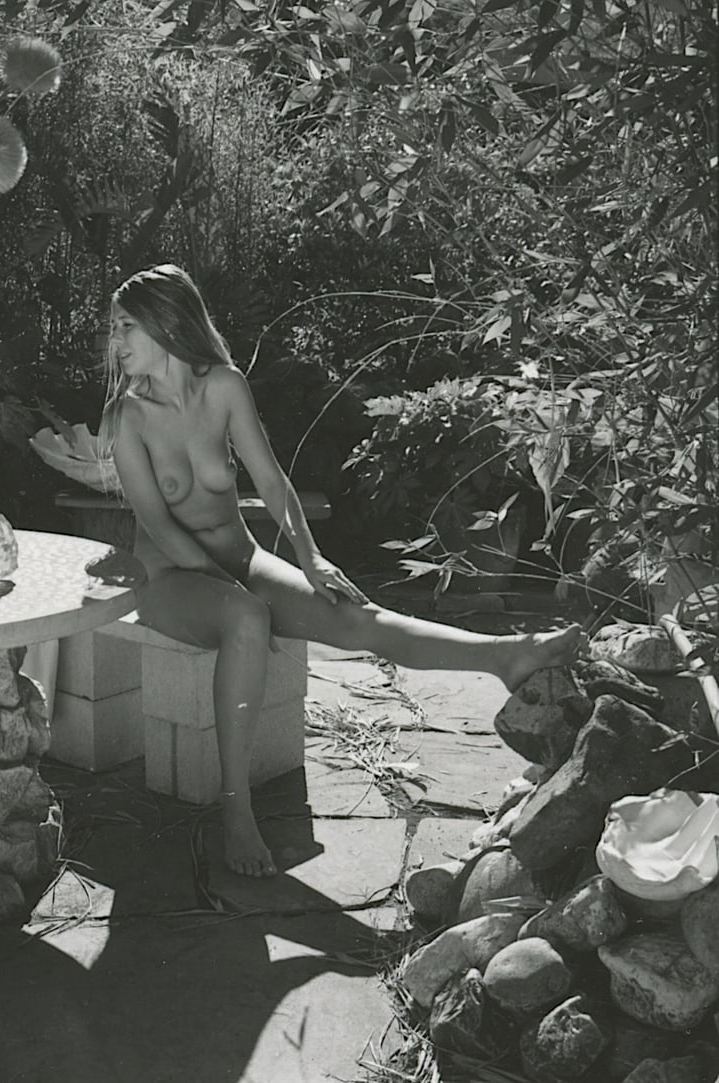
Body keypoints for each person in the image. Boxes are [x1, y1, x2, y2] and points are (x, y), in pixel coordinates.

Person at [99, 264, 585, 879]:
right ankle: (236, 812)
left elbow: (272, 482)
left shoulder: (223, 385)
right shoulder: (128, 418)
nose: (115, 340)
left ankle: (502, 655)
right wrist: (233, 592)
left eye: (127, 326)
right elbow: (159, 525)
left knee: (352, 614)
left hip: (242, 559)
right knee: (246, 615)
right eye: (115, 327)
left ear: (167, 322)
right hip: (168, 577)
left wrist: (310, 559)